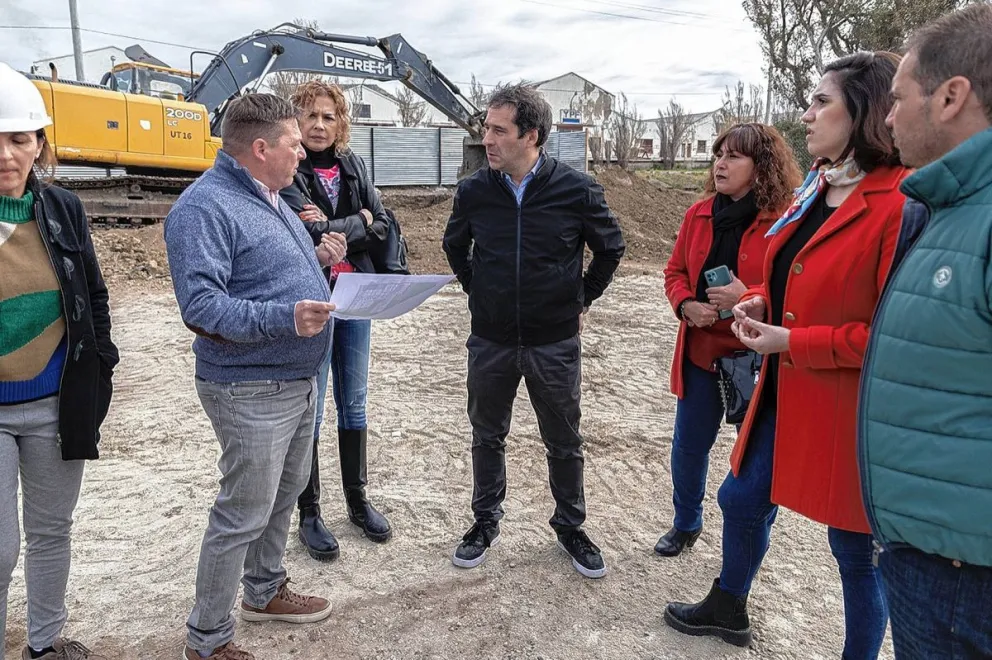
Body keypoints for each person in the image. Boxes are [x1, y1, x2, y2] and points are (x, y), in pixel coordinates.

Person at [664, 52, 910, 659]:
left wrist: (790, 341)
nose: (806, 114)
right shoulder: (819, 187)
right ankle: (729, 605)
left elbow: (890, 335)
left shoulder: (899, 202)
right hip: (783, 389)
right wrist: (755, 302)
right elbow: (790, 280)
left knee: (854, 548)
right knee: (741, 497)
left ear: (865, 111)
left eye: (821, 102)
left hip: (846, 403)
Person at [165, 93, 347, 660]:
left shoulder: (268, 196)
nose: (303, 152)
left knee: (283, 493)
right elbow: (202, 308)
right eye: (294, 143)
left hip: (295, 380)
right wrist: (287, 317)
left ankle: (264, 590)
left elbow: (260, 273)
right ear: (262, 147)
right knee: (242, 511)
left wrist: (315, 261)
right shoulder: (205, 208)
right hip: (249, 387)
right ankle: (208, 640)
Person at [442, 84, 625, 579]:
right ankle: (484, 522)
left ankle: (571, 527)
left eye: (499, 130)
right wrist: (480, 294)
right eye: (486, 128)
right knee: (487, 435)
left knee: (564, 441)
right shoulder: (475, 190)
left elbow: (611, 247)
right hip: (492, 341)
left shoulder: (576, 189)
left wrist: (580, 298)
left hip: (554, 342)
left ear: (532, 136)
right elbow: (454, 247)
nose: (487, 140)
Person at [861, 5, 992, 657]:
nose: (888, 117)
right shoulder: (950, 208)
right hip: (938, 563)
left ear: (950, 96)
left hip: (967, 582)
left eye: (898, 99)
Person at [0, 62, 119, 660]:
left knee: (51, 533)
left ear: (39, 144)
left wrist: (101, 369)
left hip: (53, 402)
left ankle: (43, 645)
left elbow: (92, 294)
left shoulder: (64, 208)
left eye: (18, 139)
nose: (6, 154)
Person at [657, 123, 801, 557]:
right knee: (688, 448)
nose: (720, 162)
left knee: (755, 460)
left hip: (754, 360)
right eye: (719, 154)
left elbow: (798, 293)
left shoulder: (786, 221)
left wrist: (749, 295)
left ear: (762, 168)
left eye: (734, 156)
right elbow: (674, 272)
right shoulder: (697, 214)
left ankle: (750, 533)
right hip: (702, 353)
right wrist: (686, 305)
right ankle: (686, 523)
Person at [280, 80, 392, 562]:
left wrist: (342, 224)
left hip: (357, 298)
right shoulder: (287, 171)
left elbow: (386, 225)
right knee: (314, 410)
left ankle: (357, 500)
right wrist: (357, 220)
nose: (319, 125)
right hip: (315, 302)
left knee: (356, 402)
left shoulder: (354, 165)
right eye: (309, 116)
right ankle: (309, 512)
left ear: (341, 122)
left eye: (328, 116)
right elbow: (300, 231)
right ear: (294, 122)